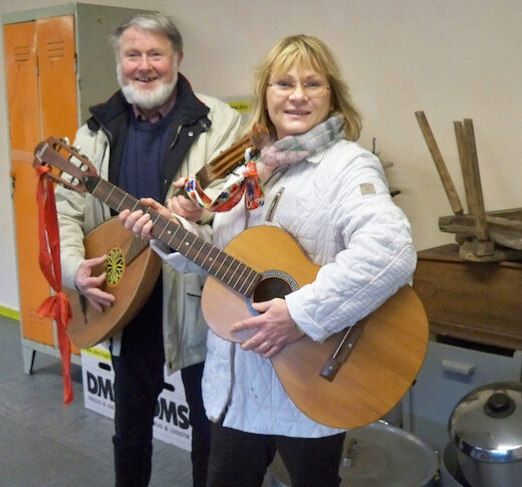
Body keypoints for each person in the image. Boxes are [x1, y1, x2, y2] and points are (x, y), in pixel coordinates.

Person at [119, 34, 416, 487]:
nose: (297, 96)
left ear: (331, 95)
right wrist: (173, 234)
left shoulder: (348, 166)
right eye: (283, 83)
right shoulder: (248, 170)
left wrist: (300, 313)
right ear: (266, 95)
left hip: (312, 378)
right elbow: (222, 262)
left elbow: (390, 252)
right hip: (238, 390)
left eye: (312, 84)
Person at [55, 12, 242, 487]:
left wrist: (190, 218)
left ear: (177, 59)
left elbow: (240, 213)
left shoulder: (221, 125)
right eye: (132, 55)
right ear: (119, 64)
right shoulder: (93, 132)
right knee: (130, 429)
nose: (144, 66)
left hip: (198, 304)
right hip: (124, 298)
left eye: (155, 54)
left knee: (209, 430)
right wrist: (76, 271)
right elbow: (66, 216)